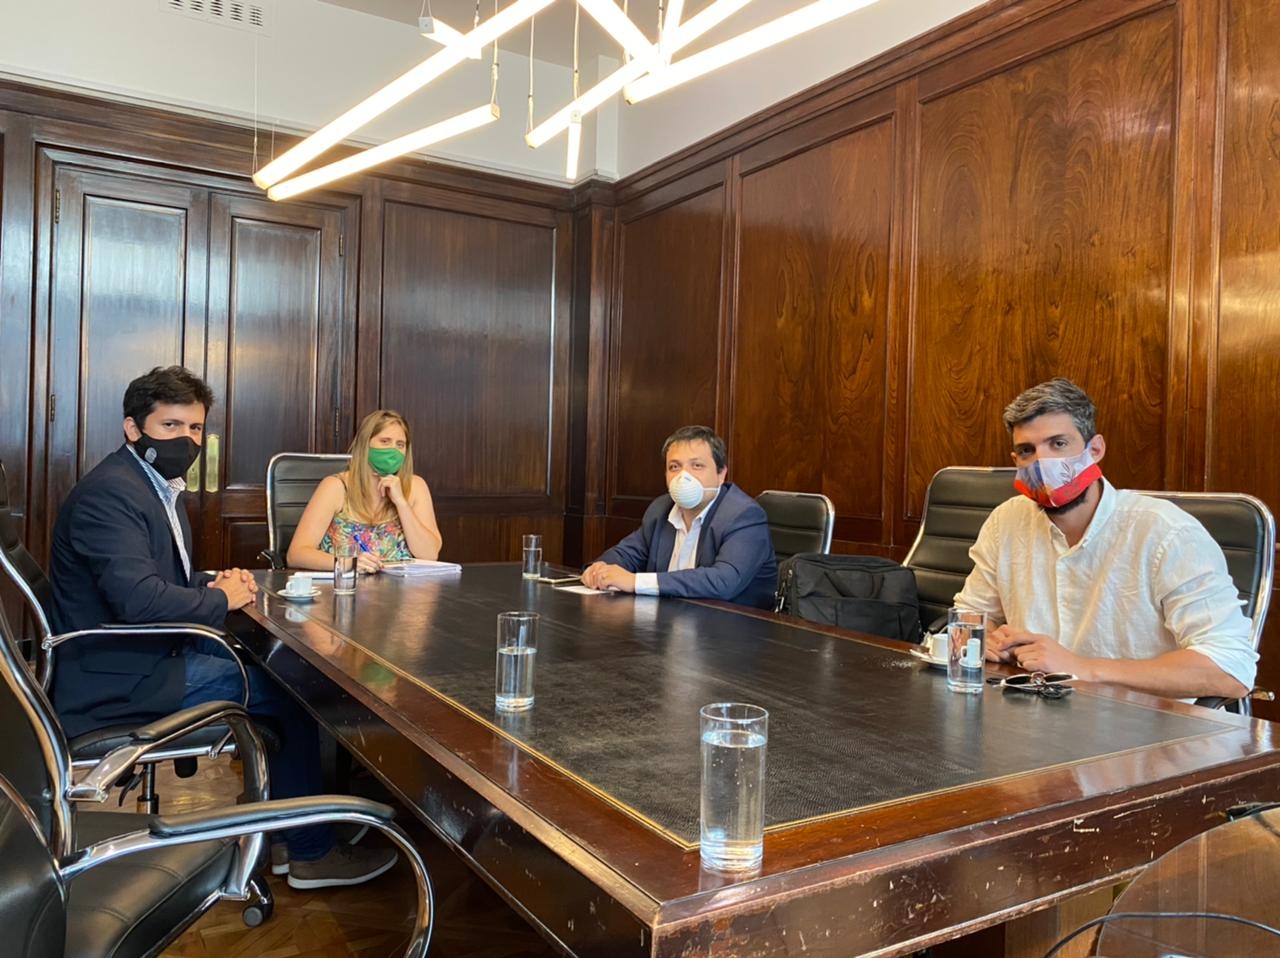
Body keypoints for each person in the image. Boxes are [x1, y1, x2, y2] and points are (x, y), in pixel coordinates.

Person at [49, 366, 396, 889]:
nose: (187, 440)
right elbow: (138, 601)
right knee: (293, 692)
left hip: (143, 657)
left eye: (195, 428)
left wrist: (212, 581)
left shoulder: (145, 485)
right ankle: (310, 850)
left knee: (276, 673)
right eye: (170, 426)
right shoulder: (112, 495)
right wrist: (219, 598)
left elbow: (155, 580)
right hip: (123, 677)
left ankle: (285, 827)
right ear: (132, 428)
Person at [954, 378, 1257, 700]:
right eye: (1027, 450)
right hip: (1032, 712)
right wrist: (984, 640)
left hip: (1144, 723)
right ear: (1016, 460)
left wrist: (1080, 668)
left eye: (1058, 444)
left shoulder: (1168, 532)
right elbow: (968, 618)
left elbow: (1230, 669)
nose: (1042, 463)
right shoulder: (1005, 520)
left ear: (1095, 450)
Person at [581, 425, 777, 608]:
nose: (684, 476)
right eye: (674, 467)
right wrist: (599, 569)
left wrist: (635, 581)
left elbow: (724, 581)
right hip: (669, 618)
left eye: (697, 466)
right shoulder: (662, 508)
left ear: (721, 474)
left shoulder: (744, 515)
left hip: (732, 626)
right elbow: (627, 553)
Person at [288, 409, 442, 574]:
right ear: (365, 445)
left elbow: (429, 554)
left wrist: (401, 503)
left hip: (400, 588)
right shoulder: (336, 487)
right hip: (346, 586)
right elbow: (296, 554)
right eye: (385, 441)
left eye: (400, 445)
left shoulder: (415, 486)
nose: (393, 451)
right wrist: (348, 563)